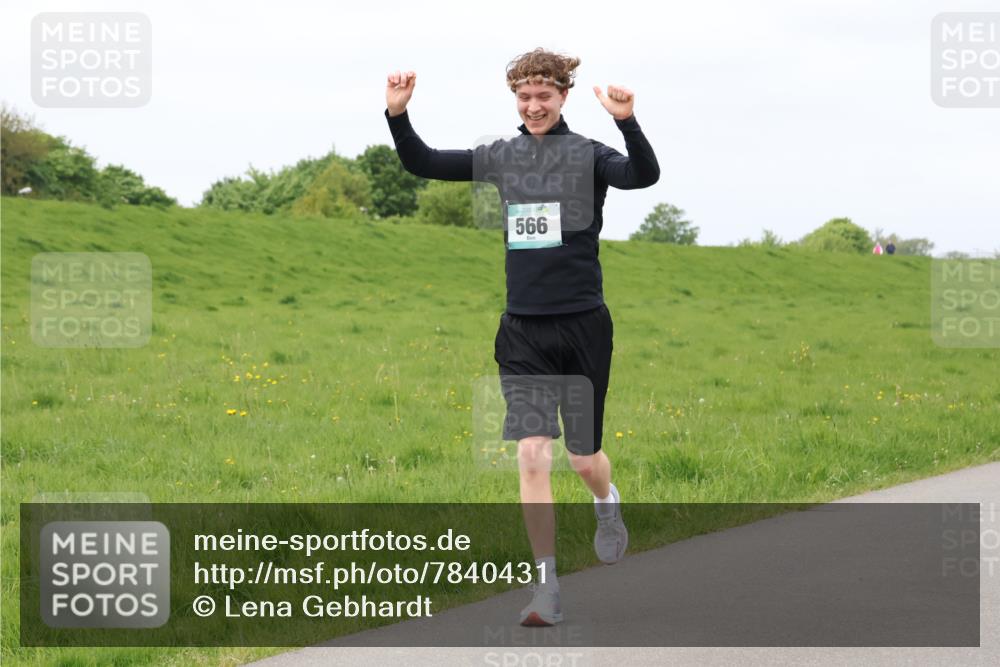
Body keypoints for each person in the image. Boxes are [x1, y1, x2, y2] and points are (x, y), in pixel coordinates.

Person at [383, 47, 660, 627]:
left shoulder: (589, 154)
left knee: (583, 460)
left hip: (583, 325)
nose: (533, 105)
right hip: (523, 329)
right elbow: (424, 162)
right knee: (533, 453)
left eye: (544, 96)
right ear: (516, 99)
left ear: (562, 97)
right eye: (524, 97)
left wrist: (627, 121)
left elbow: (642, 176)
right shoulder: (503, 157)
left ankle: (607, 506)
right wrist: (398, 114)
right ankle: (547, 587)